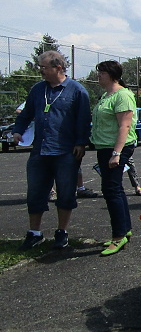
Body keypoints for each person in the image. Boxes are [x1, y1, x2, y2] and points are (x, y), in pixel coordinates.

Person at [14, 50, 91, 251]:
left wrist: (81, 143)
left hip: (66, 152)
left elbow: (84, 119)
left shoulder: (77, 90)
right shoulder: (38, 90)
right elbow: (26, 113)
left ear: (58, 67)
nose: (40, 70)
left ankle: (61, 232)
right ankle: (34, 233)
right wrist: (17, 130)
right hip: (40, 150)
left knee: (66, 194)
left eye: (44, 67)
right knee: (35, 193)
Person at [90, 60, 138, 256]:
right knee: (114, 189)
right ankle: (125, 230)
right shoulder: (106, 95)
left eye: (101, 73)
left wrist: (116, 153)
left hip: (116, 148)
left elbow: (124, 126)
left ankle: (118, 236)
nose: (98, 76)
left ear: (111, 75)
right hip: (105, 147)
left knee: (111, 190)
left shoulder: (122, 95)